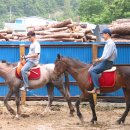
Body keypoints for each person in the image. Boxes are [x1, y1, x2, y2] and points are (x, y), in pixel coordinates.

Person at [88, 28, 117, 94]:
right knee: (92, 66)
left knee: (92, 71)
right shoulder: (108, 43)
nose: (102, 36)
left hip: (107, 62)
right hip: (106, 61)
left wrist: (99, 59)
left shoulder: (110, 43)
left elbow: (107, 56)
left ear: (107, 34)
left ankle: (97, 89)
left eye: (103, 34)